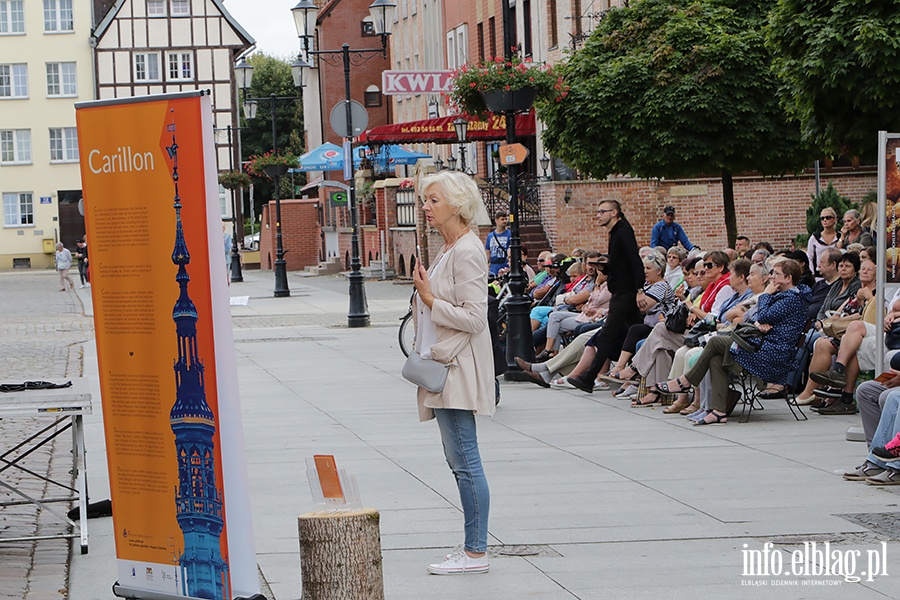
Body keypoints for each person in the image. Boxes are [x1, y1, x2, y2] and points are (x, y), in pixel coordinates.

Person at [412, 171, 494, 575]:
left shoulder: (467, 250)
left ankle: (476, 552)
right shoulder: (448, 248)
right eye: (425, 200)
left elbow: (475, 318)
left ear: (457, 204)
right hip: (441, 366)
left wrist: (429, 297)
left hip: (456, 369)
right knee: (458, 460)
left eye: (433, 200)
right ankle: (472, 548)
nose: (426, 207)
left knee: (465, 460)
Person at [654, 259, 810, 425]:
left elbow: (762, 316)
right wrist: (759, 320)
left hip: (771, 355)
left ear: (788, 278)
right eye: (771, 273)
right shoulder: (782, 296)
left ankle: (686, 381)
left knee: (715, 342)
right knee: (716, 359)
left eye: (776, 274)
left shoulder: (791, 299)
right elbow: (756, 317)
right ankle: (718, 412)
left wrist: (766, 295)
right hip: (761, 346)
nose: (771, 277)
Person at [566, 199, 645, 393]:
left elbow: (635, 260)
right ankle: (642, 372)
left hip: (625, 292)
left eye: (602, 211)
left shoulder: (623, 232)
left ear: (614, 213)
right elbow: (623, 263)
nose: (598, 215)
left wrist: (639, 289)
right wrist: (606, 267)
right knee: (640, 330)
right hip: (621, 289)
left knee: (608, 334)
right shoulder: (616, 232)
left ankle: (589, 377)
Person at [807, 207, 841, 275]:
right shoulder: (815, 237)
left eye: (828, 217)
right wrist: (812, 273)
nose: (825, 220)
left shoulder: (840, 236)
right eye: (822, 218)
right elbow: (809, 257)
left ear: (834, 219)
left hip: (836, 274)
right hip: (819, 275)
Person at [484, 210, 511, 277]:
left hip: (504, 265)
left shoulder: (509, 234)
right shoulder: (490, 236)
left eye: (506, 219)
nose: (505, 221)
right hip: (493, 268)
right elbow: (488, 251)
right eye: (502, 219)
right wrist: (486, 265)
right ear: (496, 220)